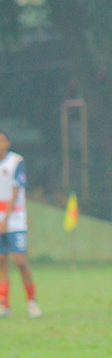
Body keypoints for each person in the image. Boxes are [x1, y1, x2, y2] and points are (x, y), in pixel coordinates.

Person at [0, 129, 41, 318]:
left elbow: (16, 192)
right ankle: (4, 304)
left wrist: (5, 220)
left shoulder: (16, 162)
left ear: (7, 143)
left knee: (21, 262)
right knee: (1, 261)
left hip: (15, 220)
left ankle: (31, 301)